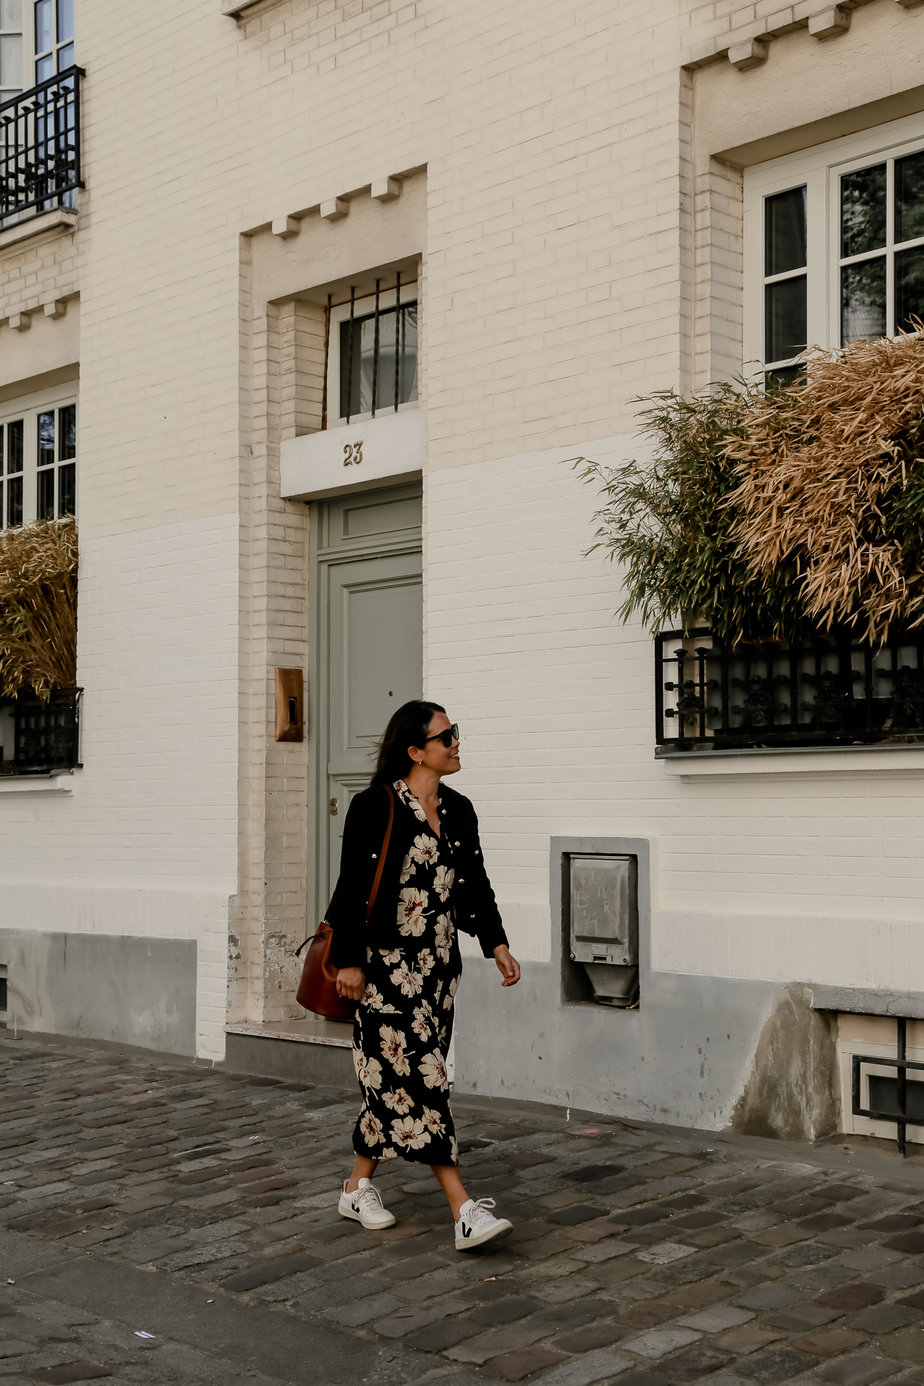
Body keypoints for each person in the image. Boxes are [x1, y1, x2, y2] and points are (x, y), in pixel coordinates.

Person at [326, 699, 521, 1250]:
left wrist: (496, 943)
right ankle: (463, 1210)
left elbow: (475, 883)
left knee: (394, 1081)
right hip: (386, 969)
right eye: (446, 736)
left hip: (438, 969)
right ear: (415, 751)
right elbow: (351, 888)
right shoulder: (375, 806)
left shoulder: (458, 808)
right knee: (424, 1079)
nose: (456, 743)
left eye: (455, 732)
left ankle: (355, 1187)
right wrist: (349, 960)